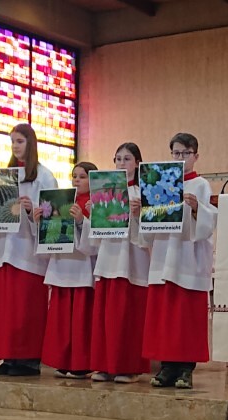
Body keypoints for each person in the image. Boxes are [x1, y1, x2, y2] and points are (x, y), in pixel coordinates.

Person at [0, 123, 55, 376]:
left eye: (20, 141)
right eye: (12, 141)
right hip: (1, 250)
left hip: (27, 252)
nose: (15, 146)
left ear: (30, 143)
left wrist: (32, 211)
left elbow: (54, 218)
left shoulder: (44, 176)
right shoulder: (0, 177)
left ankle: (28, 359)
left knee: (24, 309)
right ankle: (9, 357)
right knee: (4, 310)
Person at [142, 133, 217, 390]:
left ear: (196, 156)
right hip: (163, 255)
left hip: (188, 258)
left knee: (186, 317)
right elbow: (148, 228)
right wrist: (142, 212)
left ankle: (186, 368)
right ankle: (166, 367)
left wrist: (197, 209)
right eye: (176, 153)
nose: (180, 158)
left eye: (186, 153)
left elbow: (209, 221)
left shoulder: (201, 184)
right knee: (165, 316)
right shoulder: (158, 182)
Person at [82, 142, 151, 383]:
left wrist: (138, 214)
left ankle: (128, 367)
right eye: (118, 159)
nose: (122, 163)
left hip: (132, 261)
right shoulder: (105, 191)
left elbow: (150, 235)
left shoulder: (143, 193)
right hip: (108, 258)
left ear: (137, 163)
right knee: (105, 317)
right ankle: (104, 365)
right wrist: (93, 214)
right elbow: (95, 238)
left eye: (127, 159)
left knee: (127, 317)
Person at [38, 161, 98, 378]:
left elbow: (96, 242)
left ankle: (82, 363)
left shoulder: (95, 203)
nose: (77, 180)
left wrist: (82, 221)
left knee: (81, 319)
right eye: (74, 176)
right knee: (62, 319)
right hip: (61, 265)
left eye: (82, 176)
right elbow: (51, 235)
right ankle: (62, 360)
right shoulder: (61, 201)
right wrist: (40, 222)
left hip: (83, 267)